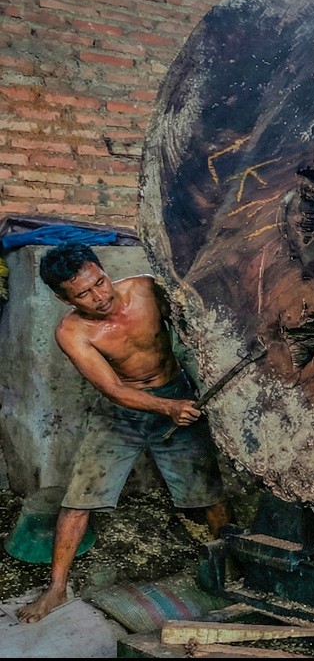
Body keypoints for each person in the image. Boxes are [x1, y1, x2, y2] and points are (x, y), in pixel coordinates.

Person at [17, 243, 230, 623]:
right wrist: (168, 409)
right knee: (78, 500)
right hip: (120, 413)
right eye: (83, 293)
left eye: (99, 281)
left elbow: (194, 331)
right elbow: (113, 389)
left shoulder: (146, 290)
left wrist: (192, 389)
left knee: (209, 494)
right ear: (62, 297)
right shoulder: (71, 332)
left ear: (102, 268)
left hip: (176, 395)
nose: (100, 296)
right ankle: (56, 588)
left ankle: (231, 568)